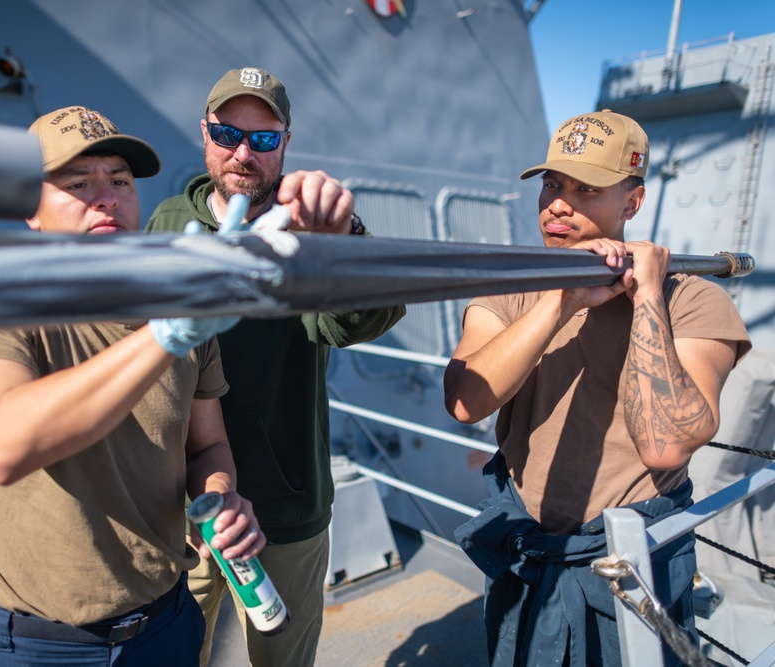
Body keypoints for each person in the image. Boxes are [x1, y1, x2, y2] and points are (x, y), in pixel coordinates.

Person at [0, 106, 265, 667]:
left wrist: (220, 497)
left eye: (119, 181)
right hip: (39, 647)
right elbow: (0, 445)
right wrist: (165, 336)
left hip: (165, 626)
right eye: (76, 183)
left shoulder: (178, 307)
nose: (106, 197)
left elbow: (207, 446)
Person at [443, 110, 752, 666]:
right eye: (553, 185)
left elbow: (665, 445)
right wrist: (561, 300)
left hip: (629, 568)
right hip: (527, 554)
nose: (559, 204)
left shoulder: (692, 301)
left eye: (586, 190)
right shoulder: (513, 289)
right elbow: (466, 401)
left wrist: (649, 297)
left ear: (630, 204)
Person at [145, 67, 406, 667]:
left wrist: (342, 239)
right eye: (227, 133)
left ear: (284, 144)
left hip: (282, 509)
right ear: (204, 135)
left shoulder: (303, 230)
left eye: (263, 139)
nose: (243, 152)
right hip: (180, 508)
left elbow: (357, 324)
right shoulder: (163, 223)